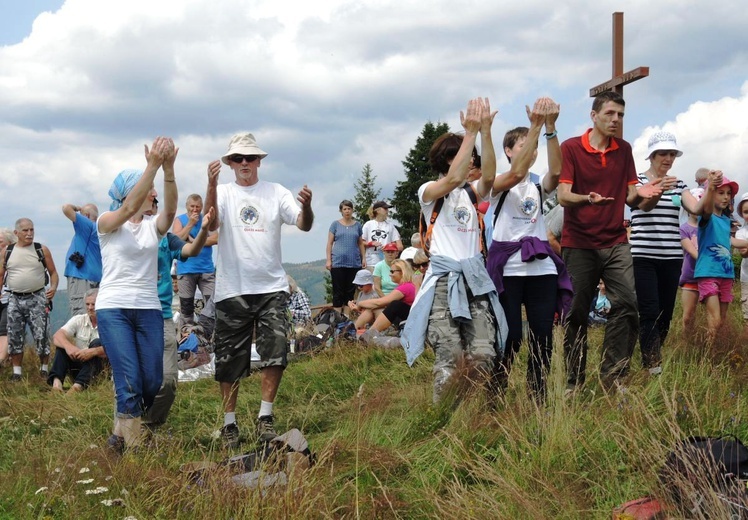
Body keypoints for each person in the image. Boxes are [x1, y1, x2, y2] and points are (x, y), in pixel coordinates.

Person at [203, 132, 313, 448]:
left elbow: (303, 224)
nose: (244, 163)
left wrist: (307, 206)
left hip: (271, 287)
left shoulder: (276, 192)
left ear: (259, 160)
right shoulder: (222, 192)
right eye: (238, 158)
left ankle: (265, 417)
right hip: (231, 288)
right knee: (229, 360)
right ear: (229, 163)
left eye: (250, 157)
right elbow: (210, 226)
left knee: (276, 351)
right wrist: (210, 185)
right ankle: (229, 424)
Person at [401, 97, 507, 403]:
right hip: (444, 282)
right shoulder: (428, 192)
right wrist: (470, 134)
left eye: (470, 155)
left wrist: (486, 132)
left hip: (474, 279)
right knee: (450, 354)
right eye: (459, 155)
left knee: (484, 354)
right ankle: (442, 418)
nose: (469, 160)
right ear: (444, 160)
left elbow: (488, 176)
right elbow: (455, 177)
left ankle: (472, 416)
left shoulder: (472, 195)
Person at [557, 91, 663, 393]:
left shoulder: (624, 150)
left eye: (621, 115)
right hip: (578, 242)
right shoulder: (572, 148)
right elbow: (563, 195)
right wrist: (587, 198)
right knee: (576, 311)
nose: (616, 119)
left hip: (616, 239)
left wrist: (648, 197)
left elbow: (631, 197)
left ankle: (613, 377)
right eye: (610, 114)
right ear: (594, 116)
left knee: (628, 304)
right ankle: (573, 381)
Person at [485, 97, 572, 402]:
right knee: (510, 337)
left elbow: (558, 173)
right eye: (522, 145)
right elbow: (516, 172)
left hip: (541, 268)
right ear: (508, 151)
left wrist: (550, 128)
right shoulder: (498, 183)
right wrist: (535, 126)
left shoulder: (537, 185)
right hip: (509, 268)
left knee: (543, 337)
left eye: (532, 147)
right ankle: (495, 390)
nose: (530, 151)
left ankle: (538, 396)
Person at [96, 136, 177, 450]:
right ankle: (134, 453)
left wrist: (168, 170)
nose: (153, 192)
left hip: (148, 309)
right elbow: (129, 206)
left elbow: (169, 213)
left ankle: (119, 436)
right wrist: (152, 166)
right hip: (113, 309)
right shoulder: (107, 222)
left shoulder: (151, 226)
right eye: (148, 187)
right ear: (132, 191)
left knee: (152, 382)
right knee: (129, 381)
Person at [629, 131, 687, 376]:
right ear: (652, 156)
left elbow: (696, 208)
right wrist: (659, 188)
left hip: (672, 255)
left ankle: (653, 356)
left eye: (672, 153)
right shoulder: (638, 182)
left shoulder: (679, 183)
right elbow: (642, 205)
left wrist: (709, 192)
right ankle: (652, 364)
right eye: (663, 153)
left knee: (666, 314)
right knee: (649, 311)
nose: (668, 158)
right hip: (643, 254)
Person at [0, 218, 59, 381]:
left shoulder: (41, 250)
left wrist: (53, 288)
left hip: (37, 297)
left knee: (42, 335)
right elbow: (1, 274)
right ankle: (16, 372)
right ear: (16, 233)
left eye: (31, 230)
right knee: (14, 335)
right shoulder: (8, 251)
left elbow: (53, 272)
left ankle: (44, 369)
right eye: (25, 230)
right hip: (14, 298)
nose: (29, 233)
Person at [693, 171, 743, 347]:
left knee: (721, 321)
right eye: (720, 192)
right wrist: (711, 186)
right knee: (714, 320)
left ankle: (715, 353)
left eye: (729, 193)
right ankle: (707, 359)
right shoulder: (705, 218)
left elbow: (730, 242)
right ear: (710, 193)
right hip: (708, 272)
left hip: (726, 274)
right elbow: (705, 210)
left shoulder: (726, 222)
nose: (726, 197)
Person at [172, 194, 218, 325]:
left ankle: (208, 338)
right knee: (186, 311)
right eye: (192, 206)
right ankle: (187, 341)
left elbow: (216, 238)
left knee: (213, 306)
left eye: (198, 207)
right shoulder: (179, 220)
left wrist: (195, 241)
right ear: (187, 206)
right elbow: (176, 240)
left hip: (206, 270)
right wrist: (190, 224)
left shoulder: (207, 219)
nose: (195, 209)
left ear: (202, 207)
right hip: (186, 270)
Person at [49, 289, 106, 393]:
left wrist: (94, 351)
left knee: (97, 343)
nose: (90, 308)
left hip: (100, 369)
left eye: (93, 304)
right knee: (62, 347)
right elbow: (57, 336)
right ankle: (57, 385)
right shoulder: (79, 319)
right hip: (80, 365)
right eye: (87, 304)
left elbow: (117, 348)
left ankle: (77, 388)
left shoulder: (110, 323)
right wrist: (69, 347)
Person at [352, 260, 415, 340]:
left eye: (392, 272)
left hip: (407, 320)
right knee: (375, 308)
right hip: (404, 318)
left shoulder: (406, 287)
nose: (390, 274)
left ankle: (366, 335)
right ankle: (355, 331)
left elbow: (379, 302)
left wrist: (359, 304)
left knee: (390, 305)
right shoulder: (406, 286)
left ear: (402, 272)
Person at [61, 203, 102, 316]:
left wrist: (78, 208)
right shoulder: (101, 230)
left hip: (81, 277)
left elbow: (66, 208)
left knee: (80, 316)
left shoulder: (87, 225)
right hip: (96, 278)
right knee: (95, 315)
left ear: (87, 216)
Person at [326, 199, 365, 315]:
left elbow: (360, 243)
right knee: (338, 292)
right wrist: (329, 260)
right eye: (345, 209)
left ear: (352, 210)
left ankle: (347, 317)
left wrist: (364, 258)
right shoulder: (335, 224)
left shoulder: (357, 225)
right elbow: (329, 243)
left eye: (349, 208)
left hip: (354, 263)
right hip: (338, 263)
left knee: (350, 292)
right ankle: (337, 318)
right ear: (341, 211)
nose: (347, 211)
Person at [362, 201, 402, 268]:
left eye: (387, 209)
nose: (387, 211)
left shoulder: (390, 226)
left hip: (386, 263)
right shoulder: (368, 224)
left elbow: (400, 246)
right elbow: (361, 242)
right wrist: (370, 243)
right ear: (377, 211)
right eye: (385, 209)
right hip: (371, 262)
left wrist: (389, 247)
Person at [0, 228, 16, 366]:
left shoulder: (16, 260)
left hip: (10, 300)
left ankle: (1, 360)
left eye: (0, 242)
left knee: (4, 329)